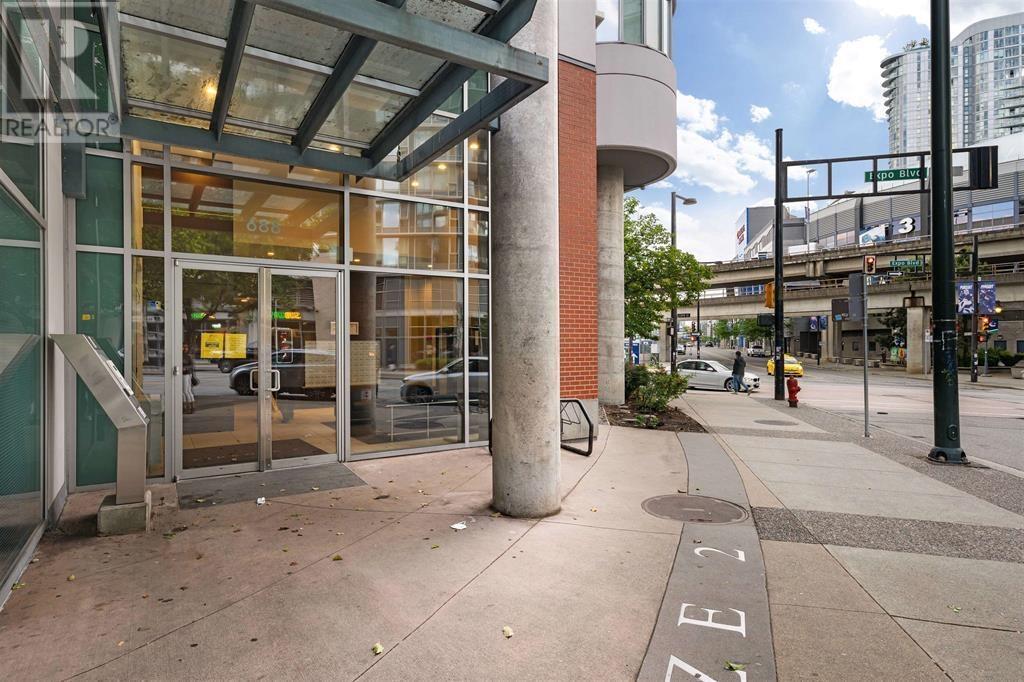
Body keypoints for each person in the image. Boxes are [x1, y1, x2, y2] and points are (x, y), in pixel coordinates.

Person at [182, 343, 196, 414]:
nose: (184, 349)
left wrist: (185, 368)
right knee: (183, 392)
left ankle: (191, 407)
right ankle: (185, 407)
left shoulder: (188, 356)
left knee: (186, 391)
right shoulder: (180, 355)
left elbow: (192, 366)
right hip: (182, 374)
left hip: (186, 374)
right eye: (183, 347)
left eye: (186, 347)